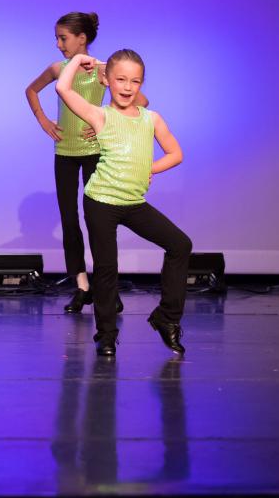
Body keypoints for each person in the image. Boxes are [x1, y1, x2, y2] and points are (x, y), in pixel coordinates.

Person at [56, 50, 191, 356]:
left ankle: (166, 318)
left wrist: (148, 169)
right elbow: (63, 88)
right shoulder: (100, 115)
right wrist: (78, 60)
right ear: (106, 80)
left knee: (180, 244)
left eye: (135, 81)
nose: (128, 87)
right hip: (101, 201)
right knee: (107, 268)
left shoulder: (151, 118)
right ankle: (106, 335)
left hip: (133, 202)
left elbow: (176, 154)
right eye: (120, 79)